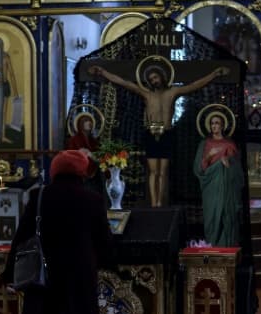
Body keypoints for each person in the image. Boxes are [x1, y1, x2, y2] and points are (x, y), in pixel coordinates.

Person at [1, 149, 113, 314]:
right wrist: (105, 262)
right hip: (79, 278)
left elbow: (21, 238)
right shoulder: (92, 200)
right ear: (81, 171)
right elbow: (104, 242)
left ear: (55, 170)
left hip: (44, 277)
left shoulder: (39, 197)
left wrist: (9, 274)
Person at [88, 60, 230, 207]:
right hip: (151, 135)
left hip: (166, 134)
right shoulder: (147, 94)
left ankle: (159, 202)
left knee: (163, 172)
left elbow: (193, 86)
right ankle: (154, 204)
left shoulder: (172, 92)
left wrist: (214, 74)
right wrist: (103, 72)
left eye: (155, 77)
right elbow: (125, 83)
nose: (154, 81)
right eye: (151, 79)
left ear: (162, 77)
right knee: (153, 172)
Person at [193, 113, 244, 247]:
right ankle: (212, 245)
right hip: (211, 188)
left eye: (217, 123)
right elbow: (199, 169)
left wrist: (228, 163)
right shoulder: (204, 144)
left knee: (226, 215)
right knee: (212, 217)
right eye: (212, 123)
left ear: (222, 126)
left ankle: (226, 247)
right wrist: (209, 156)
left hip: (227, 188)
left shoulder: (229, 144)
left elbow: (237, 170)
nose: (214, 126)